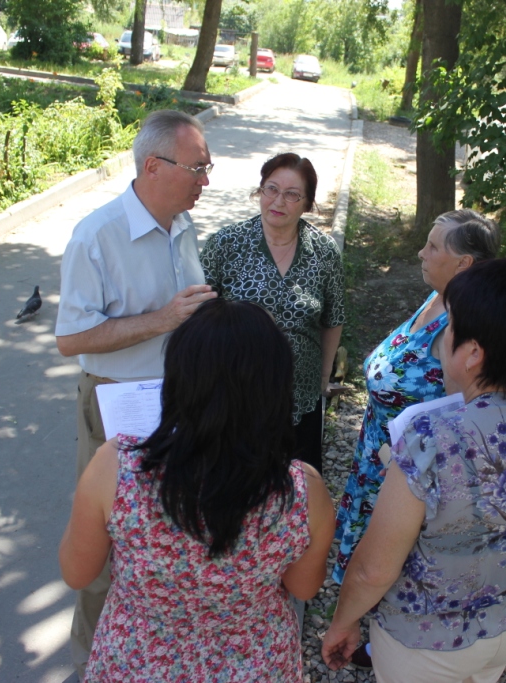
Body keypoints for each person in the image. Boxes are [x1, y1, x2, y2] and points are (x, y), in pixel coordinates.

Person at [321, 257, 506, 683]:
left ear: (472, 354)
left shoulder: (430, 437)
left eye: (448, 330)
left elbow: (373, 569)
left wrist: (342, 622)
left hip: (426, 643)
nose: (442, 339)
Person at [59, 299, 335, 682]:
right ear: (274, 388)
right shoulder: (303, 490)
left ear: (176, 379)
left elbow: (76, 572)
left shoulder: (116, 466)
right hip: (255, 666)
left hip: (137, 664)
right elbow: (303, 588)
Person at [55, 109, 218, 678]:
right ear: (154, 165)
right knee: (106, 540)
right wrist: (164, 319)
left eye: (207, 167)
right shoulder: (96, 237)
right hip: (117, 402)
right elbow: (71, 337)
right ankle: (92, 658)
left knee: (165, 536)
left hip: (179, 402)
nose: (206, 180)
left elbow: (183, 315)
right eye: (198, 168)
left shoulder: (182, 224)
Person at [333, 209, 500, 585]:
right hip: (376, 462)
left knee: (383, 577)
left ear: (464, 264)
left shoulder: (463, 329)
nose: (420, 253)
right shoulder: (437, 299)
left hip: (405, 477)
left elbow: (471, 414)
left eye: (432, 246)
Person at [200, 153, 345, 473]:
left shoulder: (323, 252)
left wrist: (323, 377)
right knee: (235, 487)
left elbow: (333, 318)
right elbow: (201, 318)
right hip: (236, 395)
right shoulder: (225, 244)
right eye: (271, 189)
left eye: (293, 194)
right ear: (260, 191)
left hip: (301, 396)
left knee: (298, 491)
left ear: (307, 203)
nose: (278, 201)